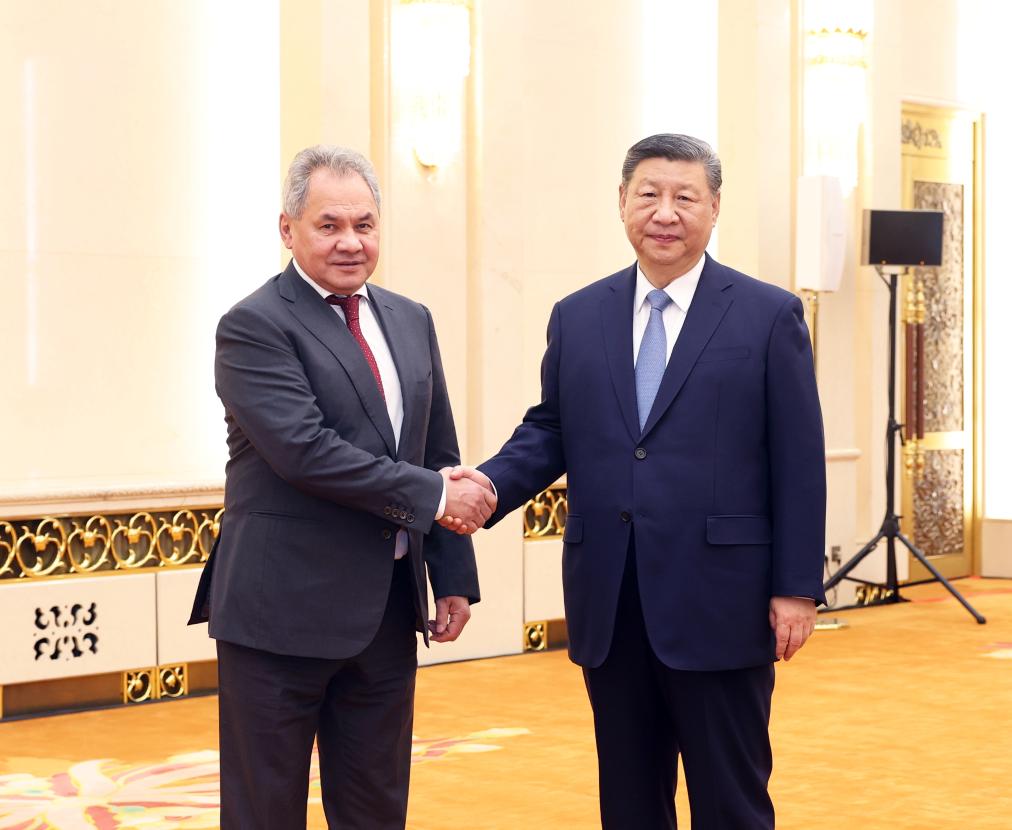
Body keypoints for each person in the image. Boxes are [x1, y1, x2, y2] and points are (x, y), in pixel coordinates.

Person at [446, 134, 826, 829]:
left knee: (730, 800)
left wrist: (796, 587)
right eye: (648, 194)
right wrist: (492, 487)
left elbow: (799, 460)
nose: (665, 212)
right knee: (628, 801)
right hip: (613, 602)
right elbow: (552, 428)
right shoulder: (580, 315)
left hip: (723, 601)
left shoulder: (768, 316)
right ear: (622, 202)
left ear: (714, 208)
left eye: (685, 197)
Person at [188, 144, 495, 830]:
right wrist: (439, 497)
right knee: (266, 812)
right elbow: (305, 452)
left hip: (385, 616)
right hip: (278, 617)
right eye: (329, 225)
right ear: (287, 229)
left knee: (375, 809)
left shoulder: (410, 319)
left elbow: (436, 451)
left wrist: (451, 572)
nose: (351, 241)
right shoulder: (254, 325)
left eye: (365, 224)